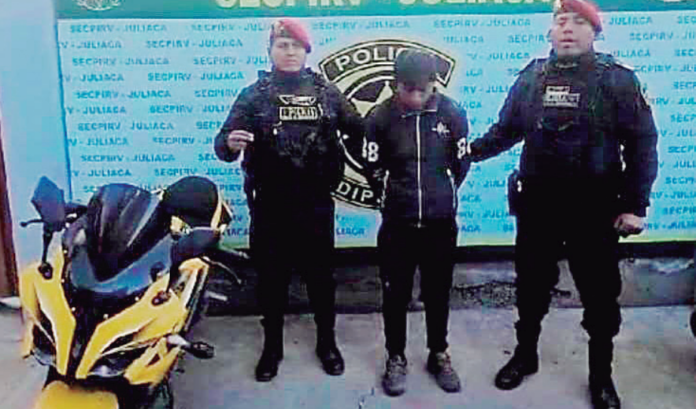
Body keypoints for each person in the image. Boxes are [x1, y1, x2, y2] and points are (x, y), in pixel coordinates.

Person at [468, 1, 659, 408]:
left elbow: (642, 145)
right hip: (539, 206)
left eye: (578, 22)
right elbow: (506, 130)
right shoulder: (532, 77)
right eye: (561, 21)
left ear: (595, 32)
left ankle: (601, 376)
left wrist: (636, 205)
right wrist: (467, 153)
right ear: (550, 31)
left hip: (596, 209)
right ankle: (525, 355)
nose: (568, 29)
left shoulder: (619, 80)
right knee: (531, 287)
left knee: (600, 298)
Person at [214, 18, 364, 382]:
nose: (290, 51)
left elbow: (359, 131)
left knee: (321, 278)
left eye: (296, 46)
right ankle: (272, 347)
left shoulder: (327, 92)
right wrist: (229, 144)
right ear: (270, 51)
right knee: (271, 279)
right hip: (270, 205)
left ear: (306, 51)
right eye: (282, 45)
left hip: (316, 203)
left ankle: (327, 343)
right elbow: (222, 144)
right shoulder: (254, 94)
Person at [363, 50, 471, 396]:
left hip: (441, 224)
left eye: (421, 90)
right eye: (406, 89)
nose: (414, 96)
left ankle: (438, 353)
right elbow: (371, 167)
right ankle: (395, 356)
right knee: (395, 295)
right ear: (394, 85)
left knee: (438, 292)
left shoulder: (453, 113)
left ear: (434, 85)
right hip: (398, 224)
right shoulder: (379, 118)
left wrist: (441, 193)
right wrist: (394, 197)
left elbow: (461, 164)